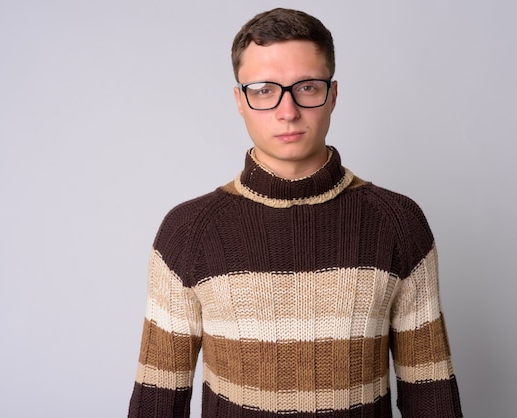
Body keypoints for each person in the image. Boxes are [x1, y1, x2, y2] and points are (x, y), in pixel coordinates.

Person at [128, 7, 462, 418]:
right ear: (239, 100)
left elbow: (431, 395)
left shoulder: (398, 223)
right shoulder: (187, 232)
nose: (288, 111)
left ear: (333, 94)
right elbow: (157, 400)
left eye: (306, 87)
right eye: (265, 90)